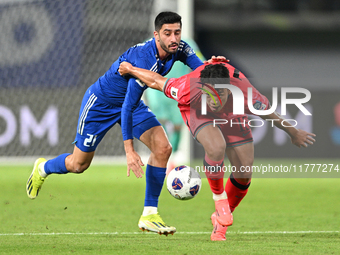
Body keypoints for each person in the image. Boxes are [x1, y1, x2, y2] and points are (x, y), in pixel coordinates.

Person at [26, 11, 209, 236]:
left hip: (130, 104)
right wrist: (129, 150)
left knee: (163, 148)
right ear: (156, 35)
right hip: (101, 103)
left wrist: (215, 71)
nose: (173, 38)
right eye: (167, 33)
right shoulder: (145, 59)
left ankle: (149, 214)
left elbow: (201, 70)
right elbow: (127, 107)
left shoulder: (179, 49)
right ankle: (43, 168)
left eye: (177, 33)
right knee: (78, 165)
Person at [118, 61, 316, 241]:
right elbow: (157, 81)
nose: (213, 99)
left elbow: (267, 112)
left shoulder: (246, 93)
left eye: (219, 93)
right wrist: (131, 69)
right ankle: (219, 200)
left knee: (245, 171)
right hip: (197, 111)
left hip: (232, 114)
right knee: (216, 146)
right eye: (209, 92)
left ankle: (219, 223)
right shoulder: (188, 86)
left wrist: (293, 132)